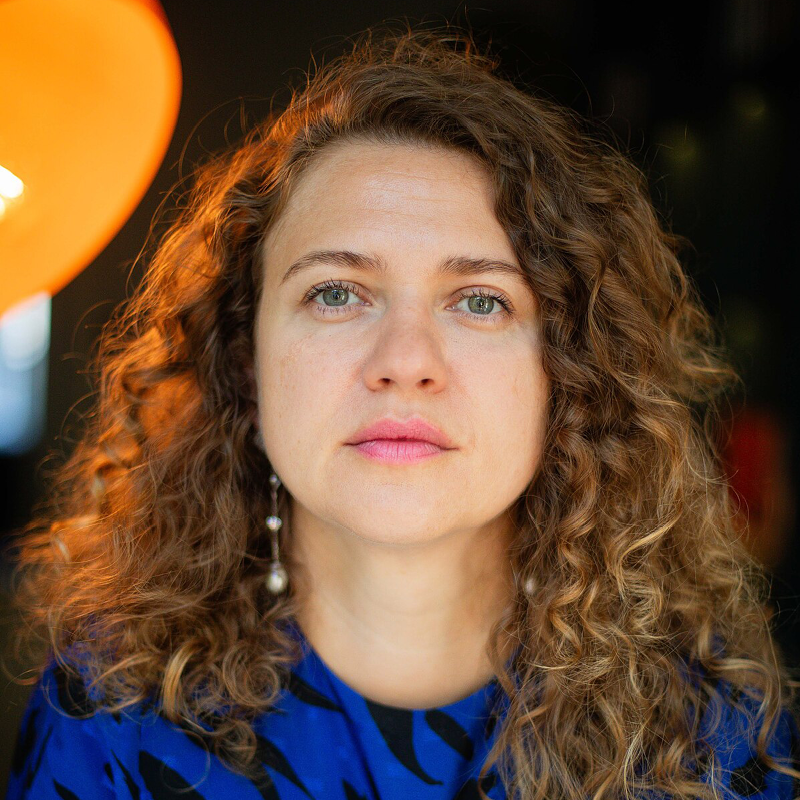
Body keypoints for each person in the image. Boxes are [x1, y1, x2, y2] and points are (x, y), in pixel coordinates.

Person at [5, 22, 799, 800]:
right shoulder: (112, 710)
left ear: (568, 374)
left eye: (480, 301)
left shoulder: (709, 737)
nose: (406, 362)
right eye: (336, 293)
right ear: (244, 361)